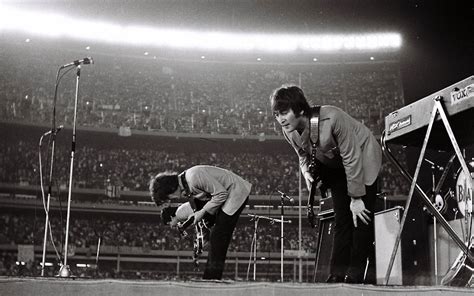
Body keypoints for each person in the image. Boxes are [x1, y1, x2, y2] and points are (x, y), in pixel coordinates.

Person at [270, 84, 382, 284]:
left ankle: (355, 276)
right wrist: (306, 173)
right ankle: (337, 275)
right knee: (342, 219)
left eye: (284, 113)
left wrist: (356, 198)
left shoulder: (333, 117)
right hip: (337, 162)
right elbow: (302, 155)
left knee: (360, 218)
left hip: (363, 155)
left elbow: (352, 156)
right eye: (277, 114)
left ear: (300, 109)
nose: (280, 120)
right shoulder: (289, 131)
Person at [149, 165, 251, 280]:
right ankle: (211, 277)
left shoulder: (194, 177)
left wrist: (202, 212)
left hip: (235, 192)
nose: (172, 199)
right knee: (215, 235)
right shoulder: (187, 184)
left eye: (169, 197)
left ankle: (212, 278)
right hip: (226, 195)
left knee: (218, 237)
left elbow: (221, 194)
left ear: (172, 188)